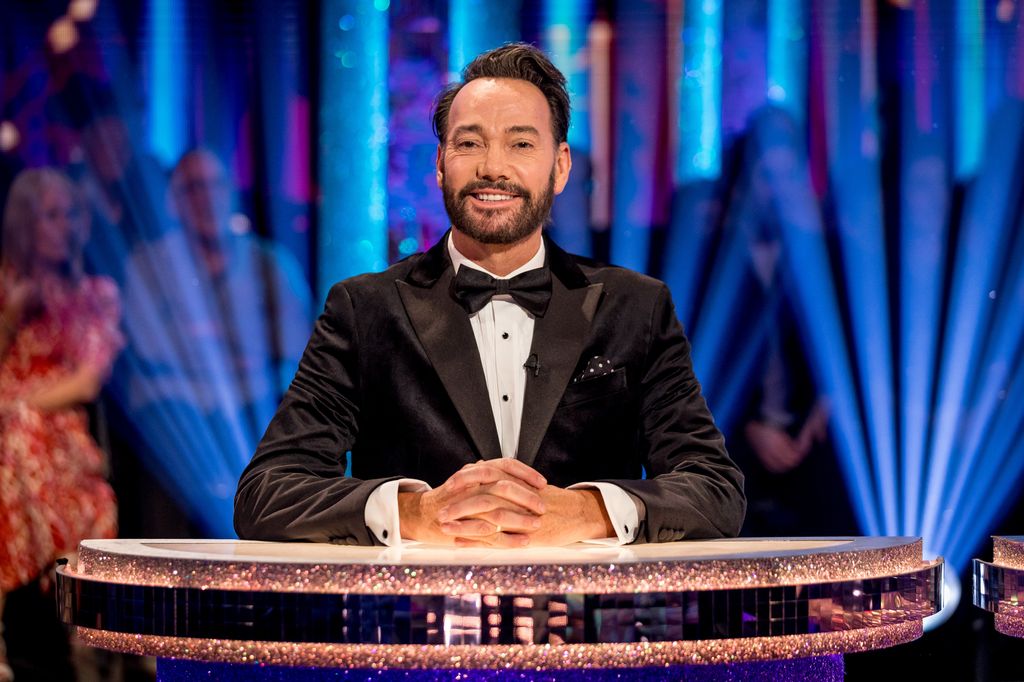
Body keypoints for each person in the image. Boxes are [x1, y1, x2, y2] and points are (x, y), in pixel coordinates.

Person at [234, 44, 744, 548]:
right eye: (469, 144)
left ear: (560, 166)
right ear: (439, 164)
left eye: (521, 144)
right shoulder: (364, 309)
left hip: (592, 620)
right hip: (413, 621)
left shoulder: (637, 307)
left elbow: (715, 489)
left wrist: (588, 511)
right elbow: (265, 493)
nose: (493, 168)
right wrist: (414, 512)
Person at [122, 149, 312, 535]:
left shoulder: (270, 263)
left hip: (253, 401)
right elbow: (149, 348)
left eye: (214, 185)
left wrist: (204, 339)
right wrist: (240, 350)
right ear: (173, 202)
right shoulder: (147, 263)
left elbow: (298, 346)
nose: (206, 197)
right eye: (193, 188)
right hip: (172, 405)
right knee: (168, 440)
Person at [0, 168, 122, 679]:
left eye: (72, 214)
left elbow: (87, 380)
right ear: (27, 223)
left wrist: (20, 406)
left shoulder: (95, 291)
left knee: (18, 444)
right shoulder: (6, 283)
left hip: (49, 425)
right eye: (52, 215)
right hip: (9, 428)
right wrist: (10, 314)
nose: (65, 226)